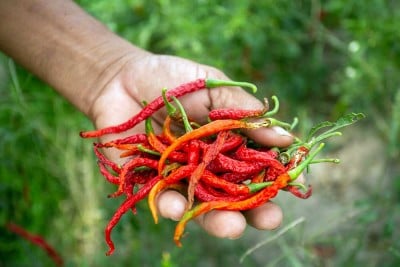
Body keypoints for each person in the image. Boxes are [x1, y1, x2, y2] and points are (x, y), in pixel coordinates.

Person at [0, 0, 295, 240]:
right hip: (191, 151)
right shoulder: (190, 146)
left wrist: (111, 71)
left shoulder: (220, 147)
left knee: (210, 178)